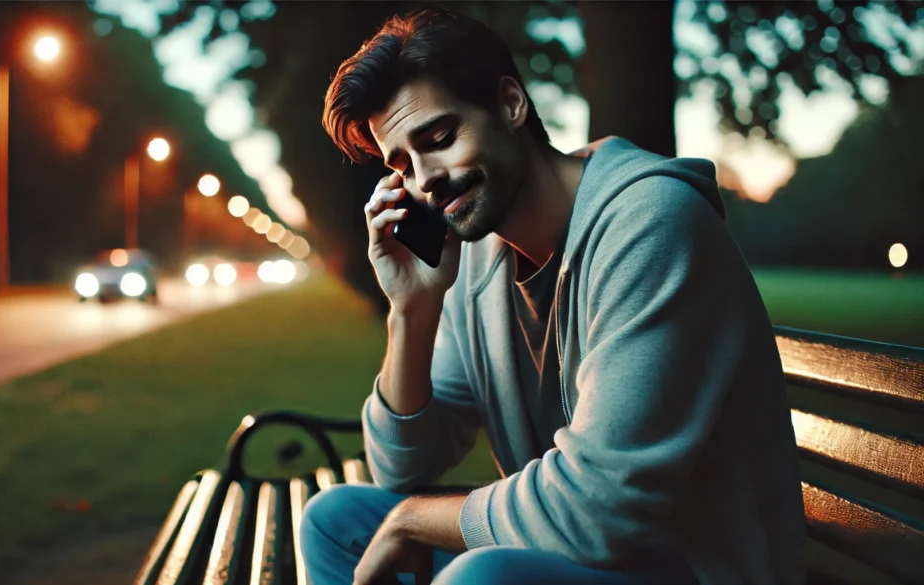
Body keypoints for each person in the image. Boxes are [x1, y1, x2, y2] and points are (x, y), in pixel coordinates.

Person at [302, 6, 805, 585]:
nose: (424, 179)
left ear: (511, 104)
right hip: (576, 552)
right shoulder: (476, 261)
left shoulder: (652, 223)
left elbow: (599, 506)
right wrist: (412, 310)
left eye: (439, 139)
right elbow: (399, 468)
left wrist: (414, 521)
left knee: (481, 579)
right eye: (402, 166)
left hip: (693, 568)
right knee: (335, 520)